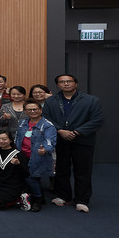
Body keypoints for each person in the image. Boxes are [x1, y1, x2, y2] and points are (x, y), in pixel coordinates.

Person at [42, 74, 103, 213]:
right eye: (62, 82)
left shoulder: (91, 100)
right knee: (61, 169)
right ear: (57, 85)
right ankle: (63, 195)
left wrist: (76, 132)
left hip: (83, 140)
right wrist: (60, 130)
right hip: (60, 139)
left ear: (75, 83)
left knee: (83, 171)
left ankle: (82, 200)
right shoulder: (51, 101)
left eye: (69, 81)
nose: (66, 84)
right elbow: (46, 118)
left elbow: (97, 120)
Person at [16, 100, 56, 212]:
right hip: (22, 155)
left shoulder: (48, 125)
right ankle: (39, 196)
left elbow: (50, 141)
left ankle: (37, 200)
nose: (33, 111)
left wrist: (46, 149)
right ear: (25, 111)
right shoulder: (23, 123)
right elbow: (17, 138)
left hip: (38, 156)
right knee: (29, 177)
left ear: (40, 110)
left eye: (35, 109)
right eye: (29, 109)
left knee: (31, 177)